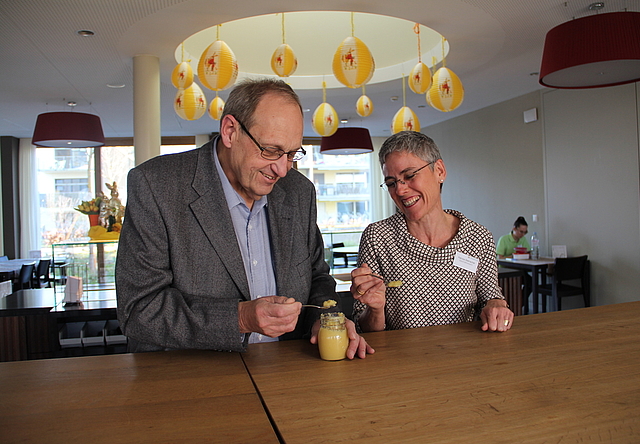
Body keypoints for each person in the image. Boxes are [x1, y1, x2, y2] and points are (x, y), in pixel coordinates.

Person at [116, 78, 373, 359]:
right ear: (230, 131)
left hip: (290, 375)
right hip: (188, 382)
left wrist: (326, 319)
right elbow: (139, 310)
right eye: (271, 150)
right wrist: (239, 318)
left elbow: (317, 277)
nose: (282, 170)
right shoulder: (156, 185)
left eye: (291, 154)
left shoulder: (299, 192)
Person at [350, 131, 513, 333]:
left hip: (465, 355)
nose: (400, 191)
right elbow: (365, 328)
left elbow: (491, 297)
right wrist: (375, 310)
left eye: (409, 176)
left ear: (440, 171)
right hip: (401, 359)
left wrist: (496, 305)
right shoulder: (378, 238)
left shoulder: (477, 237)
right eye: (391, 183)